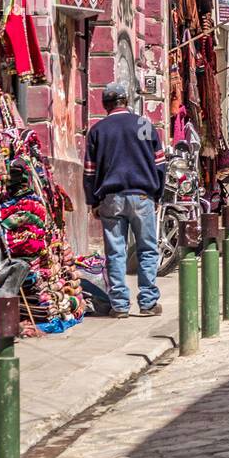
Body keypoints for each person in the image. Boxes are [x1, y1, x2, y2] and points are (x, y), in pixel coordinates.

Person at [84, 82, 166, 318]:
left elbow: (90, 172)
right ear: (126, 101)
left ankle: (119, 305)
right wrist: (157, 194)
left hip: (111, 198)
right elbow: (159, 164)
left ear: (105, 104)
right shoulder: (143, 124)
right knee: (147, 249)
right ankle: (148, 303)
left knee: (115, 252)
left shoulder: (98, 130)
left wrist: (93, 201)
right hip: (142, 195)